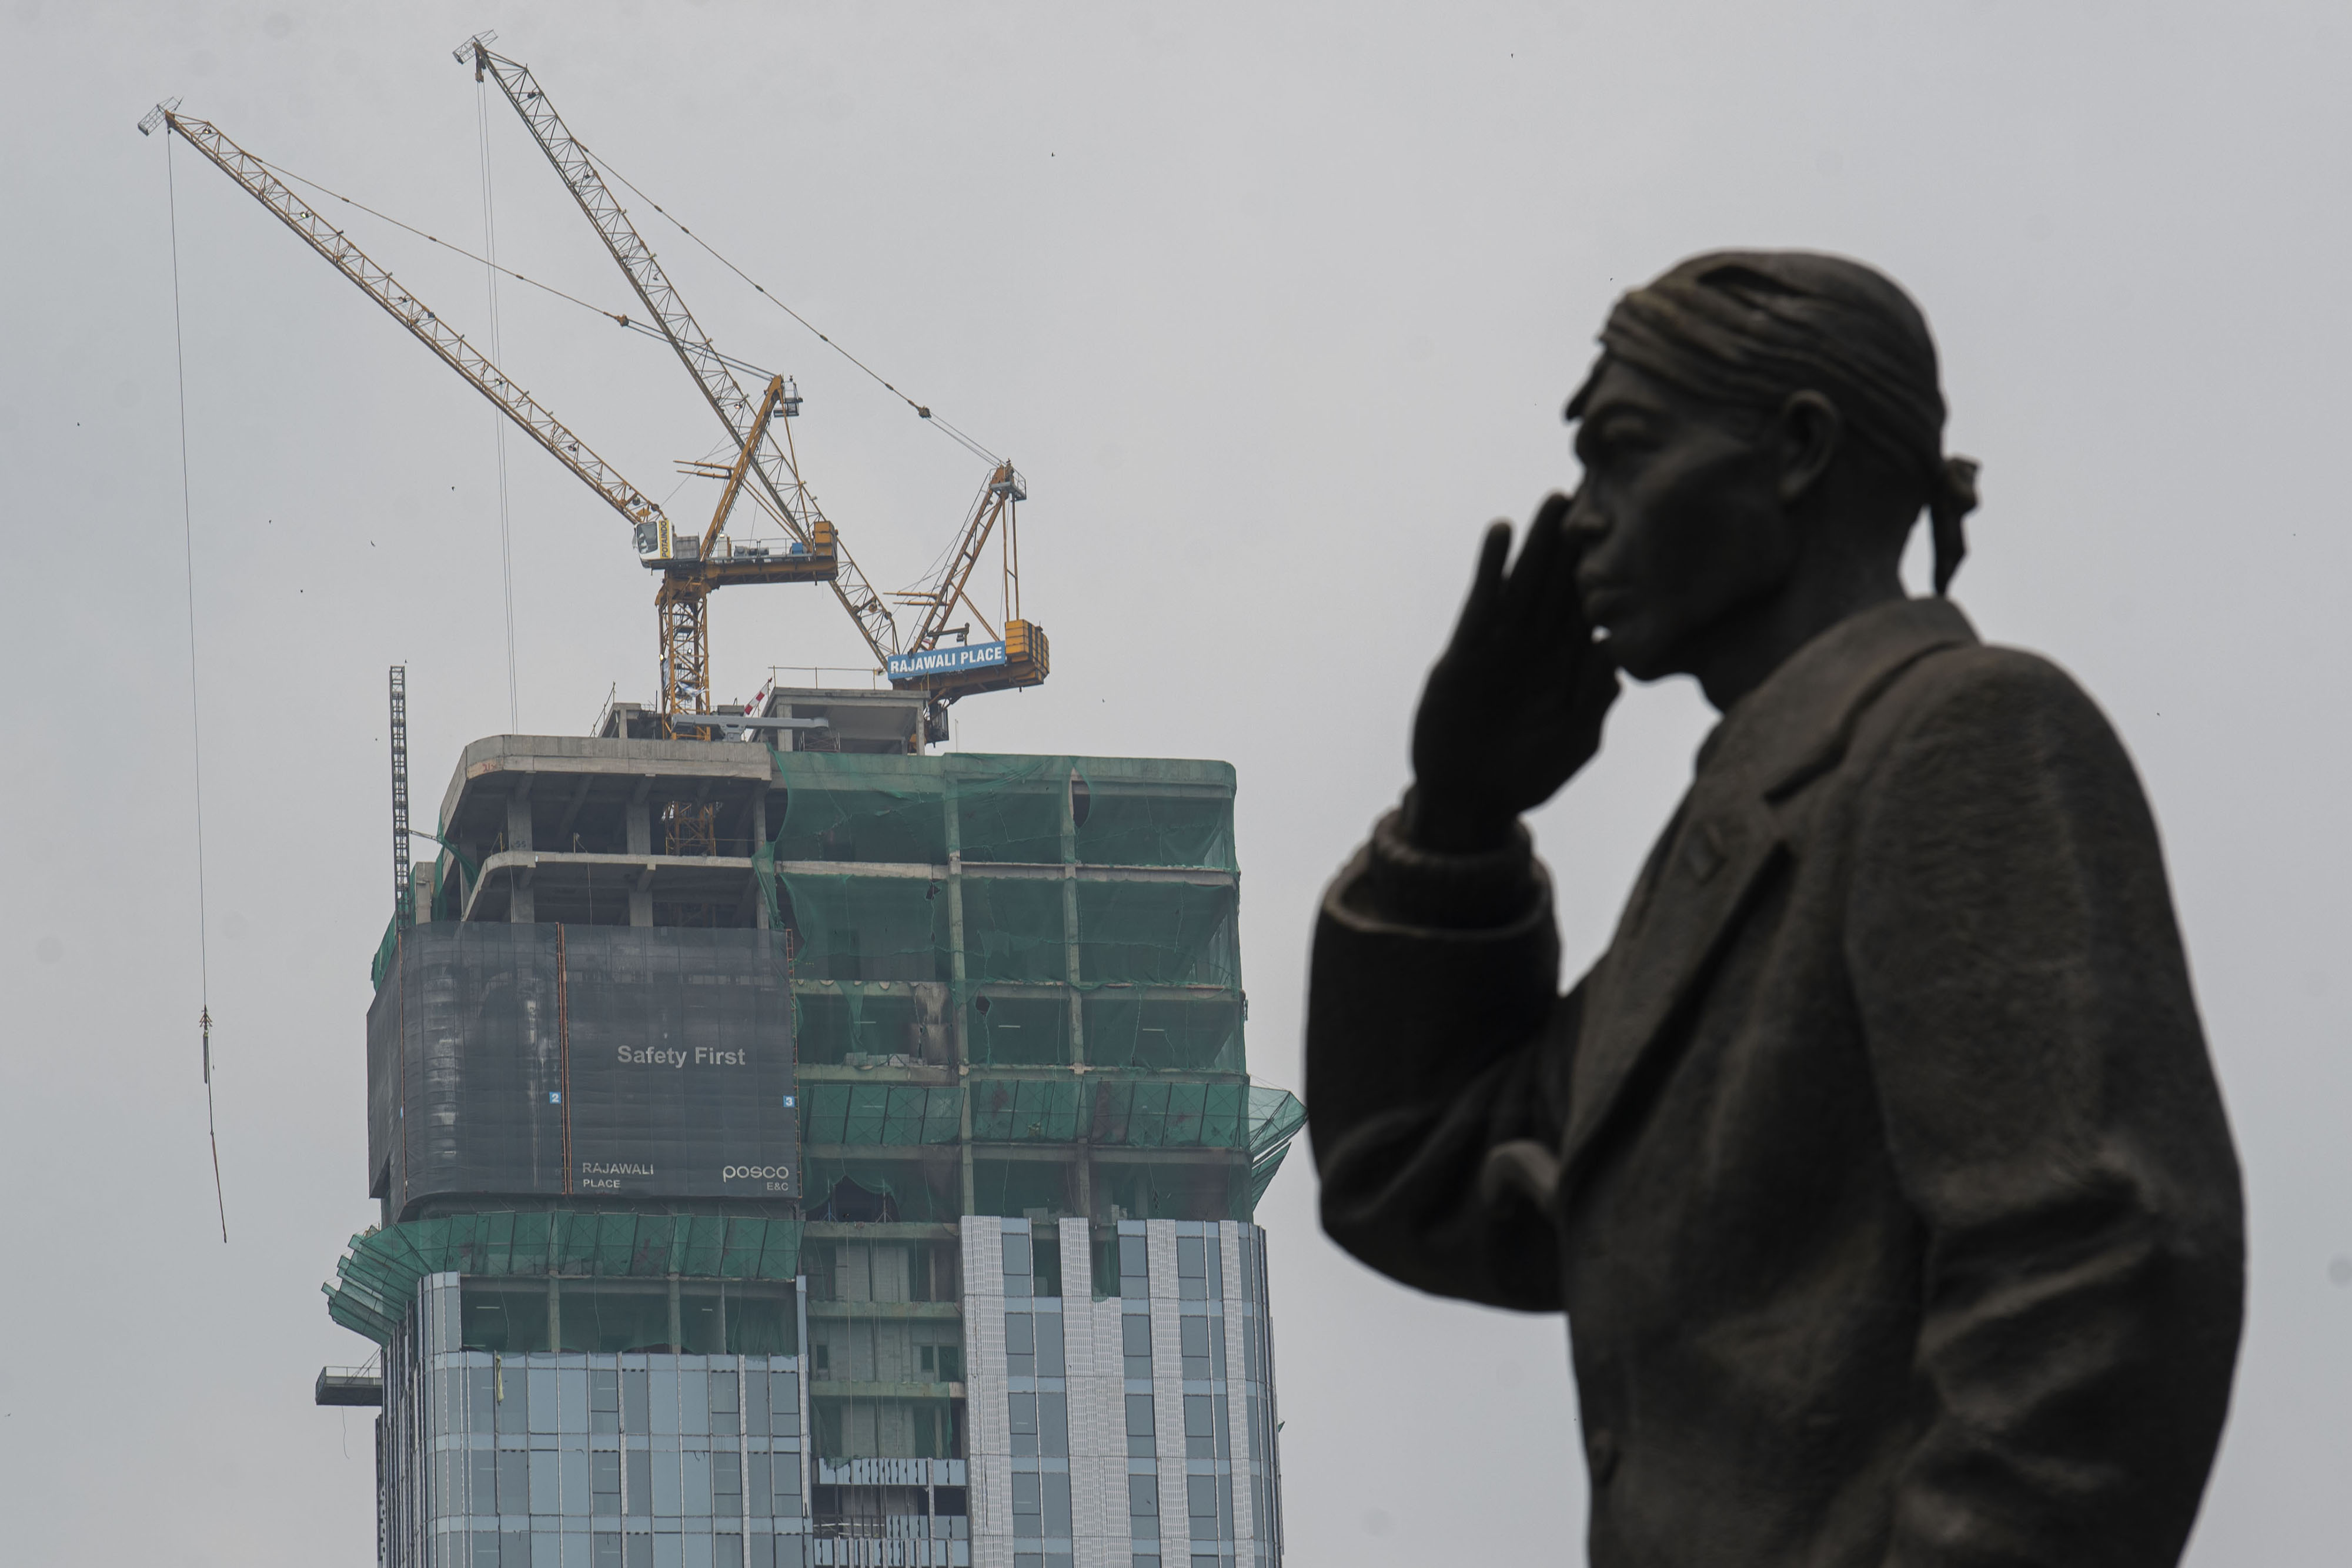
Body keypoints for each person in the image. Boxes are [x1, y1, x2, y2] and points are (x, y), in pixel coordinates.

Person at [1306, 251, 2243, 1566]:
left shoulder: (1953, 735)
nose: (1581, 516)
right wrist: (1451, 822)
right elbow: (1412, 1174)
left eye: (1621, 454)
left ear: (1795, 448)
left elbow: (2088, 1269)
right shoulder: (1730, 850)